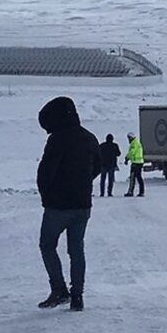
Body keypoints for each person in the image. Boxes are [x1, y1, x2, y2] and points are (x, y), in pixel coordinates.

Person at [36, 96, 101, 312]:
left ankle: (59, 289)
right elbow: (97, 168)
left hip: (57, 206)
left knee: (47, 245)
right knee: (76, 250)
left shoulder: (57, 139)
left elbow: (46, 171)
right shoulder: (90, 138)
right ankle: (77, 297)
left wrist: (46, 193)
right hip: (83, 205)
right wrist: (82, 183)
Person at [124, 132, 145, 197]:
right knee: (139, 178)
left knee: (132, 178)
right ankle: (141, 192)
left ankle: (130, 192)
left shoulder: (134, 143)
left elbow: (132, 152)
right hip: (139, 162)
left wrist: (127, 157)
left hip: (135, 163)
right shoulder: (137, 142)